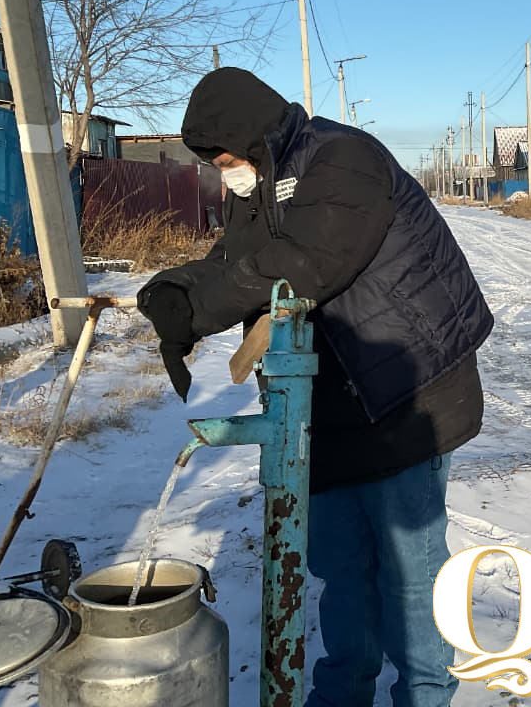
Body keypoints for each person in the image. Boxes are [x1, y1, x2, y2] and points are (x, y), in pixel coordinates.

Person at [137, 67, 493, 707]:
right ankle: (342, 694)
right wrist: (178, 290)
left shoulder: (343, 159)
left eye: (225, 156)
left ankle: (426, 694)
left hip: (404, 394)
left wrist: (201, 308)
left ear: (254, 134)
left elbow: (303, 263)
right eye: (213, 162)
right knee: (340, 569)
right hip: (321, 403)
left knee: (410, 574)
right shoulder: (257, 183)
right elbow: (235, 259)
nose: (224, 171)